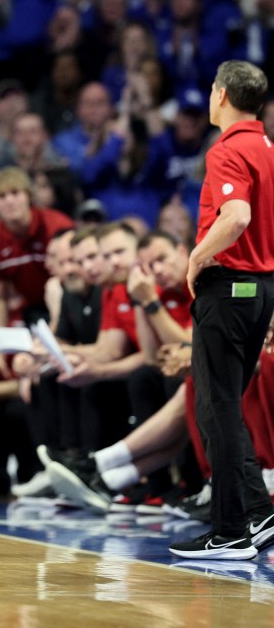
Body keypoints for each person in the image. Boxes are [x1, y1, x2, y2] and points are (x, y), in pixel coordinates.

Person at [169, 60, 274, 560]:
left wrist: (197, 255)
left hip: (230, 286)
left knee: (218, 406)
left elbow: (237, 215)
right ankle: (255, 510)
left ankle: (230, 530)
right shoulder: (269, 148)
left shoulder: (229, 149)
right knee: (220, 405)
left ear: (223, 95)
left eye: (212, 89)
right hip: (261, 288)